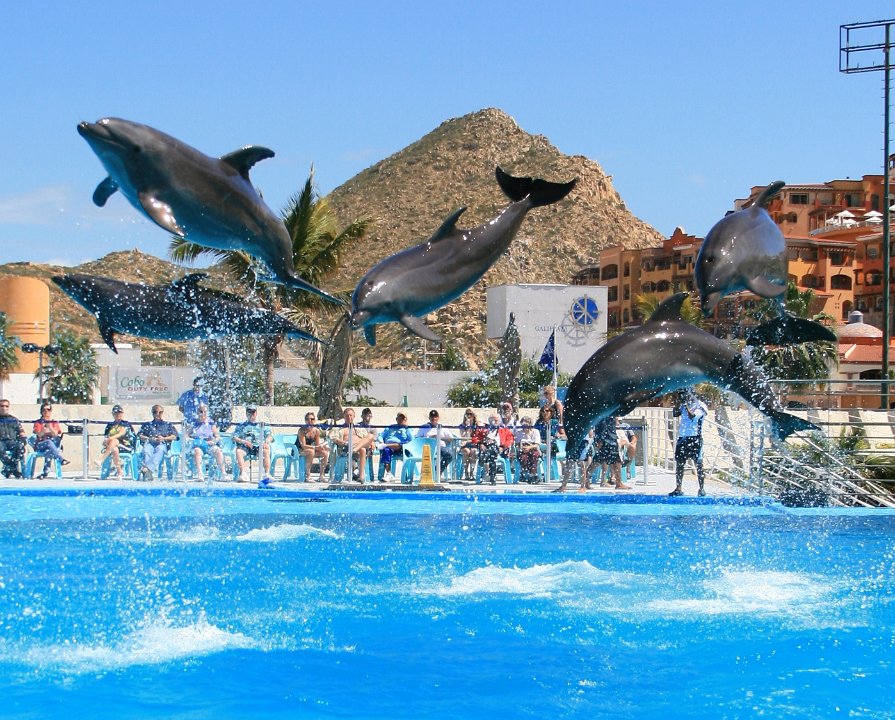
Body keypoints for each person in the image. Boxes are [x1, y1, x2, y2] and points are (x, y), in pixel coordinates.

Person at [670, 389, 708, 497]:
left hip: (695, 438)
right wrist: (678, 402)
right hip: (683, 437)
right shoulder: (683, 405)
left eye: (687, 394)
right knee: (680, 463)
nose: (686, 397)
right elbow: (675, 413)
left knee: (698, 464)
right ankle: (678, 488)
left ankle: (701, 489)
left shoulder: (700, 406)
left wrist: (686, 405)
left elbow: (692, 417)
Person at [330, 407, 375, 483]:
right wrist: (345, 443)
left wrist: (372, 442)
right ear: (344, 416)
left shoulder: (359, 428)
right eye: (347, 415)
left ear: (354, 416)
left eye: (351, 415)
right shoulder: (339, 428)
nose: (349, 417)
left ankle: (361, 475)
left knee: (370, 436)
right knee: (362, 450)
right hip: (346, 448)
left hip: (357, 447)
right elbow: (333, 439)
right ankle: (361, 476)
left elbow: (367, 437)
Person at [232, 404, 272, 484]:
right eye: (249, 412)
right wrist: (244, 441)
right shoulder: (241, 425)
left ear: (256, 413)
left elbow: (269, 436)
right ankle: (243, 473)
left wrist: (266, 442)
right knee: (238, 451)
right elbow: (234, 437)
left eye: (253, 412)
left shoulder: (262, 425)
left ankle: (267, 474)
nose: (251, 414)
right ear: (246, 413)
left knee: (266, 449)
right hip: (245, 447)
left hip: (258, 447)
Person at [138, 405, 179, 481]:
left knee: (160, 450)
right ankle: (148, 473)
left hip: (162, 443)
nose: (157, 414)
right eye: (155, 412)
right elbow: (140, 435)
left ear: (162, 413)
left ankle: (147, 470)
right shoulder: (147, 425)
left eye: (160, 412)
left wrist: (164, 438)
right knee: (146, 451)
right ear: (152, 413)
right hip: (150, 443)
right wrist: (150, 438)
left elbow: (174, 436)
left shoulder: (168, 424)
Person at [472, 413, 514, 484]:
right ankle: (492, 477)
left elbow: (510, 440)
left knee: (492, 447)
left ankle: (483, 461)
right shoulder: (484, 429)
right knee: (492, 456)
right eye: (492, 420)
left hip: (499, 449)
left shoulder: (504, 430)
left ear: (500, 421)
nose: (495, 422)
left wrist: (503, 447)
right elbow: (475, 437)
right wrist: (480, 444)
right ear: (489, 421)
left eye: (496, 420)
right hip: (487, 449)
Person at [186, 404, 225, 481]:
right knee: (197, 451)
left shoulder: (211, 423)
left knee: (218, 451)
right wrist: (192, 440)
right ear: (197, 412)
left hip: (209, 444)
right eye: (201, 411)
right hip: (198, 445)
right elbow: (186, 435)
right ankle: (200, 474)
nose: (203, 413)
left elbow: (217, 437)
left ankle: (223, 473)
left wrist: (213, 441)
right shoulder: (194, 423)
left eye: (205, 412)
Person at [99, 404, 136, 479]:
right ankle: (119, 472)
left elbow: (122, 433)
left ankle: (101, 460)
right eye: (116, 413)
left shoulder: (125, 424)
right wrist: (106, 442)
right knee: (114, 449)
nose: (118, 414)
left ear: (122, 413)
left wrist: (110, 439)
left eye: (120, 412)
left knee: (114, 440)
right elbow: (106, 438)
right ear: (113, 414)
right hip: (112, 447)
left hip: (125, 446)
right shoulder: (109, 425)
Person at [32, 403, 68, 477]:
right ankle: (61, 459)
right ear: (41, 411)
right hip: (40, 445)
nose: (46, 411)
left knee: (49, 451)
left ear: (51, 411)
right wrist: (45, 431)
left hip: (52, 446)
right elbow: (39, 435)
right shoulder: (38, 422)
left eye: (48, 409)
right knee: (48, 442)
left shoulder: (54, 422)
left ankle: (45, 473)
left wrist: (49, 426)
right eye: (44, 410)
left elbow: (55, 434)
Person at [416, 409, 456, 478]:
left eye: (435, 417)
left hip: (440, 447)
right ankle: (431, 473)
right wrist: (428, 438)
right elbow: (417, 439)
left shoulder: (442, 427)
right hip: (427, 448)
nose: (434, 418)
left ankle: (437, 471)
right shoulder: (424, 427)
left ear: (438, 417)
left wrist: (440, 438)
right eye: (432, 417)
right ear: (429, 418)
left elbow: (451, 439)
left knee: (449, 455)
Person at [554, 426, 595, 493]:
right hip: (573, 440)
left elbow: (590, 433)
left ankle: (582, 486)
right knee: (569, 463)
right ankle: (564, 486)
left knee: (580, 463)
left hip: (582, 441)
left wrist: (589, 442)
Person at [594, 415, 630, 490]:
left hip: (606, 431)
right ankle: (619, 483)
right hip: (608, 433)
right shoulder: (607, 418)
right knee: (615, 458)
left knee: (599, 459)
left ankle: (585, 481)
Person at [377, 412, 414, 482]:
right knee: (385, 450)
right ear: (396, 419)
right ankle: (388, 474)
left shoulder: (407, 429)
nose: (401, 420)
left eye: (403, 418)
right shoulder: (390, 427)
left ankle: (385, 445)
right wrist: (381, 442)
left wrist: (407, 428)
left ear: (406, 419)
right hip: (389, 447)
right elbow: (380, 436)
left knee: (399, 445)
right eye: (399, 418)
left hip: (401, 448)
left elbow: (412, 439)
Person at [296, 411, 330, 483]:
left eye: (312, 419)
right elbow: (303, 446)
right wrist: (316, 447)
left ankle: (321, 476)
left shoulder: (316, 430)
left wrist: (322, 447)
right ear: (305, 421)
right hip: (299, 450)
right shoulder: (302, 430)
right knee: (311, 452)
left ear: (314, 420)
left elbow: (317, 445)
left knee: (325, 453)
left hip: (310, 450)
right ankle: (307, 475)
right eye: (308, 419)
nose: (310, 421)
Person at [0, 399, 26, 478]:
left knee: (20, 446)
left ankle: (8, 469)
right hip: (1, 442)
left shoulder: (14, 420)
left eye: (6, 406)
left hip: (12, 441)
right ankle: (13, 469)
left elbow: (21, 432)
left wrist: (22, 439)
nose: (4, 408)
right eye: (2, 406)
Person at [515, 416, 542, 483]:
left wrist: (529, 447)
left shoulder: (535, 432)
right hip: (523, 449)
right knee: (523, 457)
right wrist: (522, 448)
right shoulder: (519, 432)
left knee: (534, 455)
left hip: (533, 448)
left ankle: (532, 474)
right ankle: (525, 474)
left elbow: (537, 444)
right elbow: (517, 444)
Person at [458, 409, 479, 482]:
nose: (469, 416)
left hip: (474, 444)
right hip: (465, 444)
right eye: (467, 414)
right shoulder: (462, 425)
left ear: (473, 415)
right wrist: (467, 428)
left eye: (470, 414)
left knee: (474, 451)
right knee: (466, 451)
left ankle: (472, 473)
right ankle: (466, 472)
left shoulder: (476, 425)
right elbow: (463, 436)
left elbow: (477, 437)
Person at [616, 417, 638, 483]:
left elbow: (633, 437)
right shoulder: (609, 426)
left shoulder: (625, 425)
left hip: (625, 444)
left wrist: (632, 442)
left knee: (632, 447)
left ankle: (627, 467)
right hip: (616, 444)